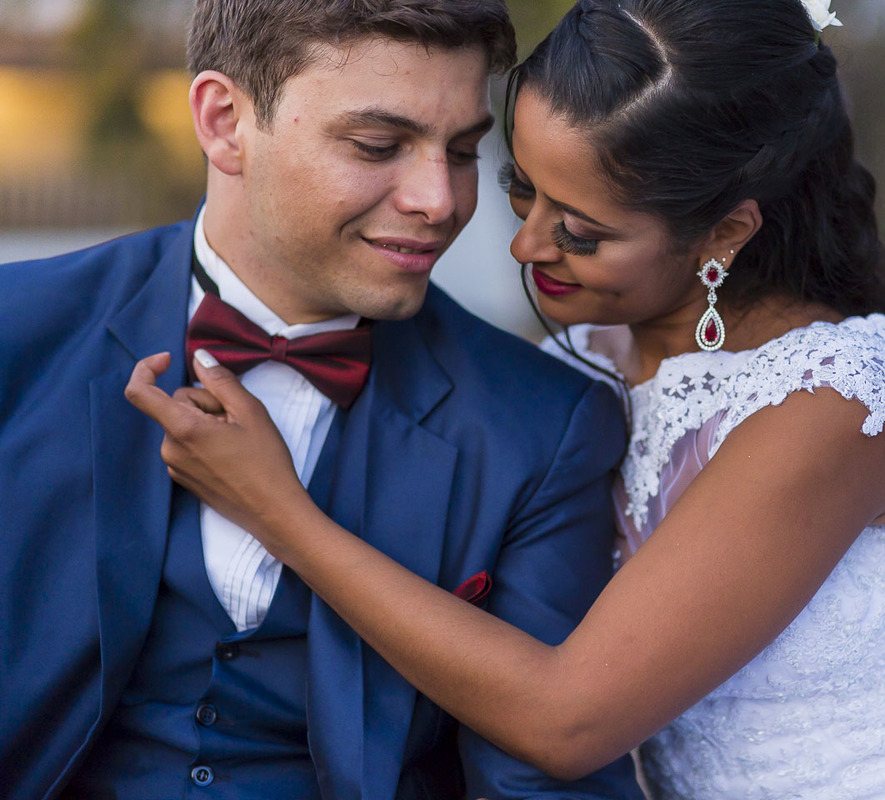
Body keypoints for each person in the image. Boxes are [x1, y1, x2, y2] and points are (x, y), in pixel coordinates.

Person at [127, 0, 885, 798]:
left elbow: (568, 719)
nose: (524, 247)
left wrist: (279, 510)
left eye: (578, 230)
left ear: (724, 232)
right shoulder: (582, 362)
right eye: (519, 190)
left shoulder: (825, 403)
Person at [0, 1, 646, 798]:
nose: (439, 200)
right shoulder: (16, 333)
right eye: (380, 145)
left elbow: (546, 780)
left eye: (464, 150)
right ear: (224, 120)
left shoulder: (542, 426)